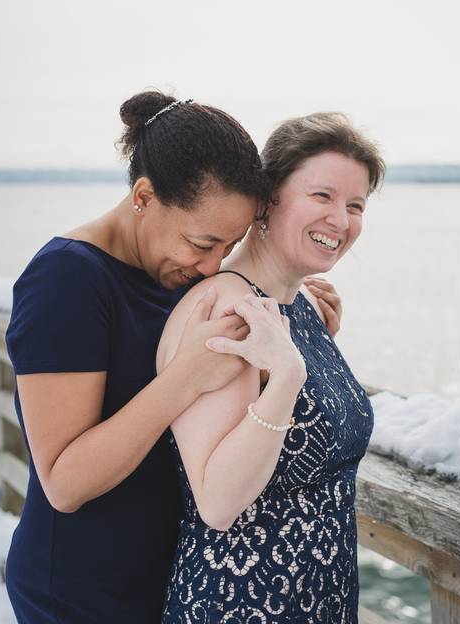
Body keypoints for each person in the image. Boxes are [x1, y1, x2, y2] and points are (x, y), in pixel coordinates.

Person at [3, 91, 344, 624]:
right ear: (143, 197)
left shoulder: (178, 272)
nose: (210, 267)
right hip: (81, 589)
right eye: (201, 242)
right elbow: (64, 483)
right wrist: (184, 379)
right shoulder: (65, 280)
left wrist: (290, 304)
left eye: (227, 248)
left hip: (168, 577)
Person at [157, 112, 384, 622]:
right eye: (322, 196)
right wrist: (287, 379)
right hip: (241, 603)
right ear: (268, 200)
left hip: (320, 601)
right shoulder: (226, 310)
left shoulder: (296, 305)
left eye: (355, 205)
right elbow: (217, 502)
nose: (341, 221)